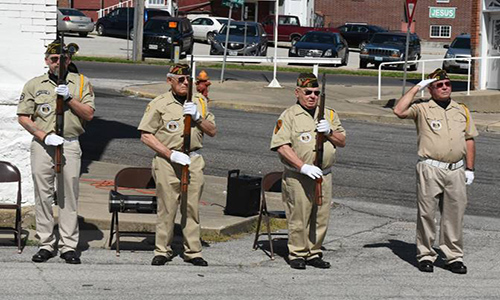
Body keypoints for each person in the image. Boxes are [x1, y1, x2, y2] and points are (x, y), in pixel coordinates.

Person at [17, 40, 95, 264]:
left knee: (68, 195)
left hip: (69, 143)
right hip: (44, 145)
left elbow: (89, 114)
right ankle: (45, 243)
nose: (58, 63)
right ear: (46, 61)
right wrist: (43, 135)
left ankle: (68, 245)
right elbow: (24, 117)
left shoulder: (80, 83)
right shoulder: (34, 84)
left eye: (63, 59)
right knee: (43, 195)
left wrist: (70, 99)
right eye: (53, 59)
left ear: (69, 60)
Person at [393, 68, 478, 274]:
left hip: (456, 170)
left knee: (454, 215)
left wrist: (469, 168)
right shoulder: (422, 109)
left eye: (447, 84)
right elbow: (398, 110)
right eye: (439, 85)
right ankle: (425, 255)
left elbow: (469, 139)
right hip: (430, 168)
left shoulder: (461, 109)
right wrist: (416, 88)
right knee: (427, 214)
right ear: (431, 89)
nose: (444, 87)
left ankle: (453, 257)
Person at [138, 64, 216, 267]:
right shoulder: (159, 103)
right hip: (167, 161)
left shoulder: (200, 101)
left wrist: (198, 118)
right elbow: (146, 135)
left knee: (191, 208)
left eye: (188, 79)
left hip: (193, 159)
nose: (185, 83)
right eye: (180, 80)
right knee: (167, 207)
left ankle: (193, 251)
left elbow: (212, 130)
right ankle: (162, 250)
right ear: (169, 80)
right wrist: (170, 154)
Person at [270, 73, 346, 269]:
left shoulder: (328, 114)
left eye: (316, 93)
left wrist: (329, 132)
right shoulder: (289, 115)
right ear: (297, 93)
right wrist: (302, 166)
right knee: (299, 215)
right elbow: (281, 146)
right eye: (308, 92)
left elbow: (342, 141)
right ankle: (297, 253)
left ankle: (314, 252)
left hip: (324, 174)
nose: (312, 96)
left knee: (321, 216)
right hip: (298, 176)